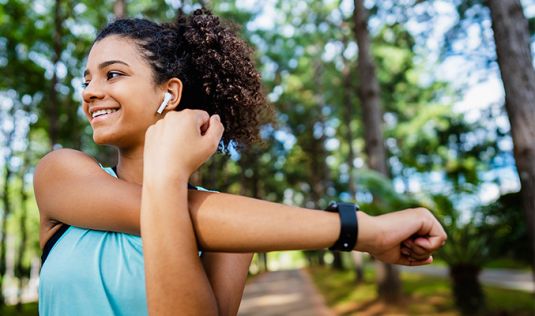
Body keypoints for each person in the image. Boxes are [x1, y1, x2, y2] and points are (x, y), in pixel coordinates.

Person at [34, 8, 446, 316]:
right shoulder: (61, 173)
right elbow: (164, 211)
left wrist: (168, 173)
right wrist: (363, 231)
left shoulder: (237, 231)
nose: (89, 91)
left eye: (113, 74)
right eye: (86, 78)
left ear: (170, 94)